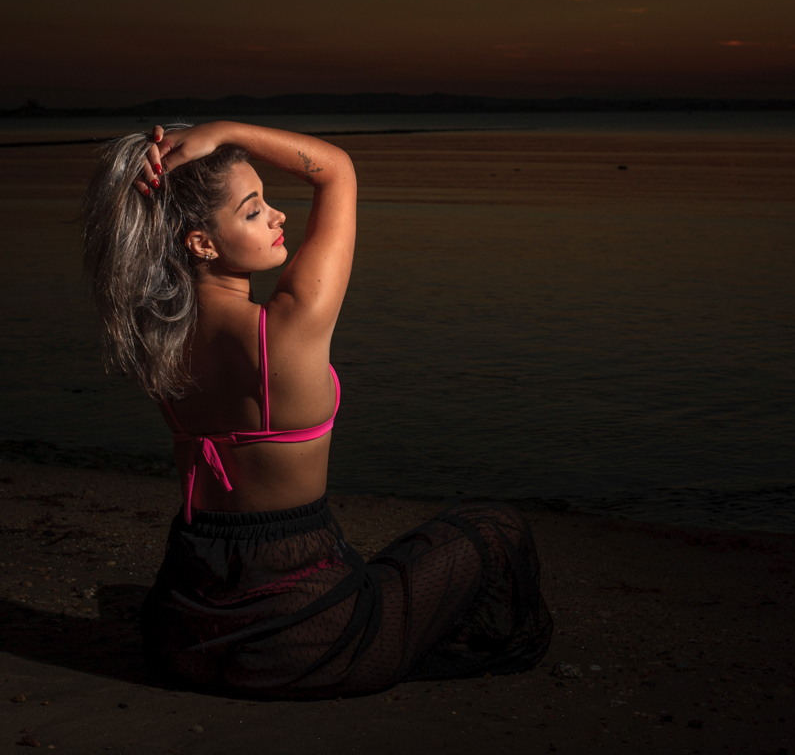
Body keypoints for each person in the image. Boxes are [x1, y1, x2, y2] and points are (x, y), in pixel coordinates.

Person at [80, 121, 552, 699]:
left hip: (183, 634)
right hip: (303, 636)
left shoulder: (154, 345)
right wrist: (224, 130)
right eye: (254, 211)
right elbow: (337, 171)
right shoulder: (287, 328)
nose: (278, 216)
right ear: (201, 242)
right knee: (497, 528)